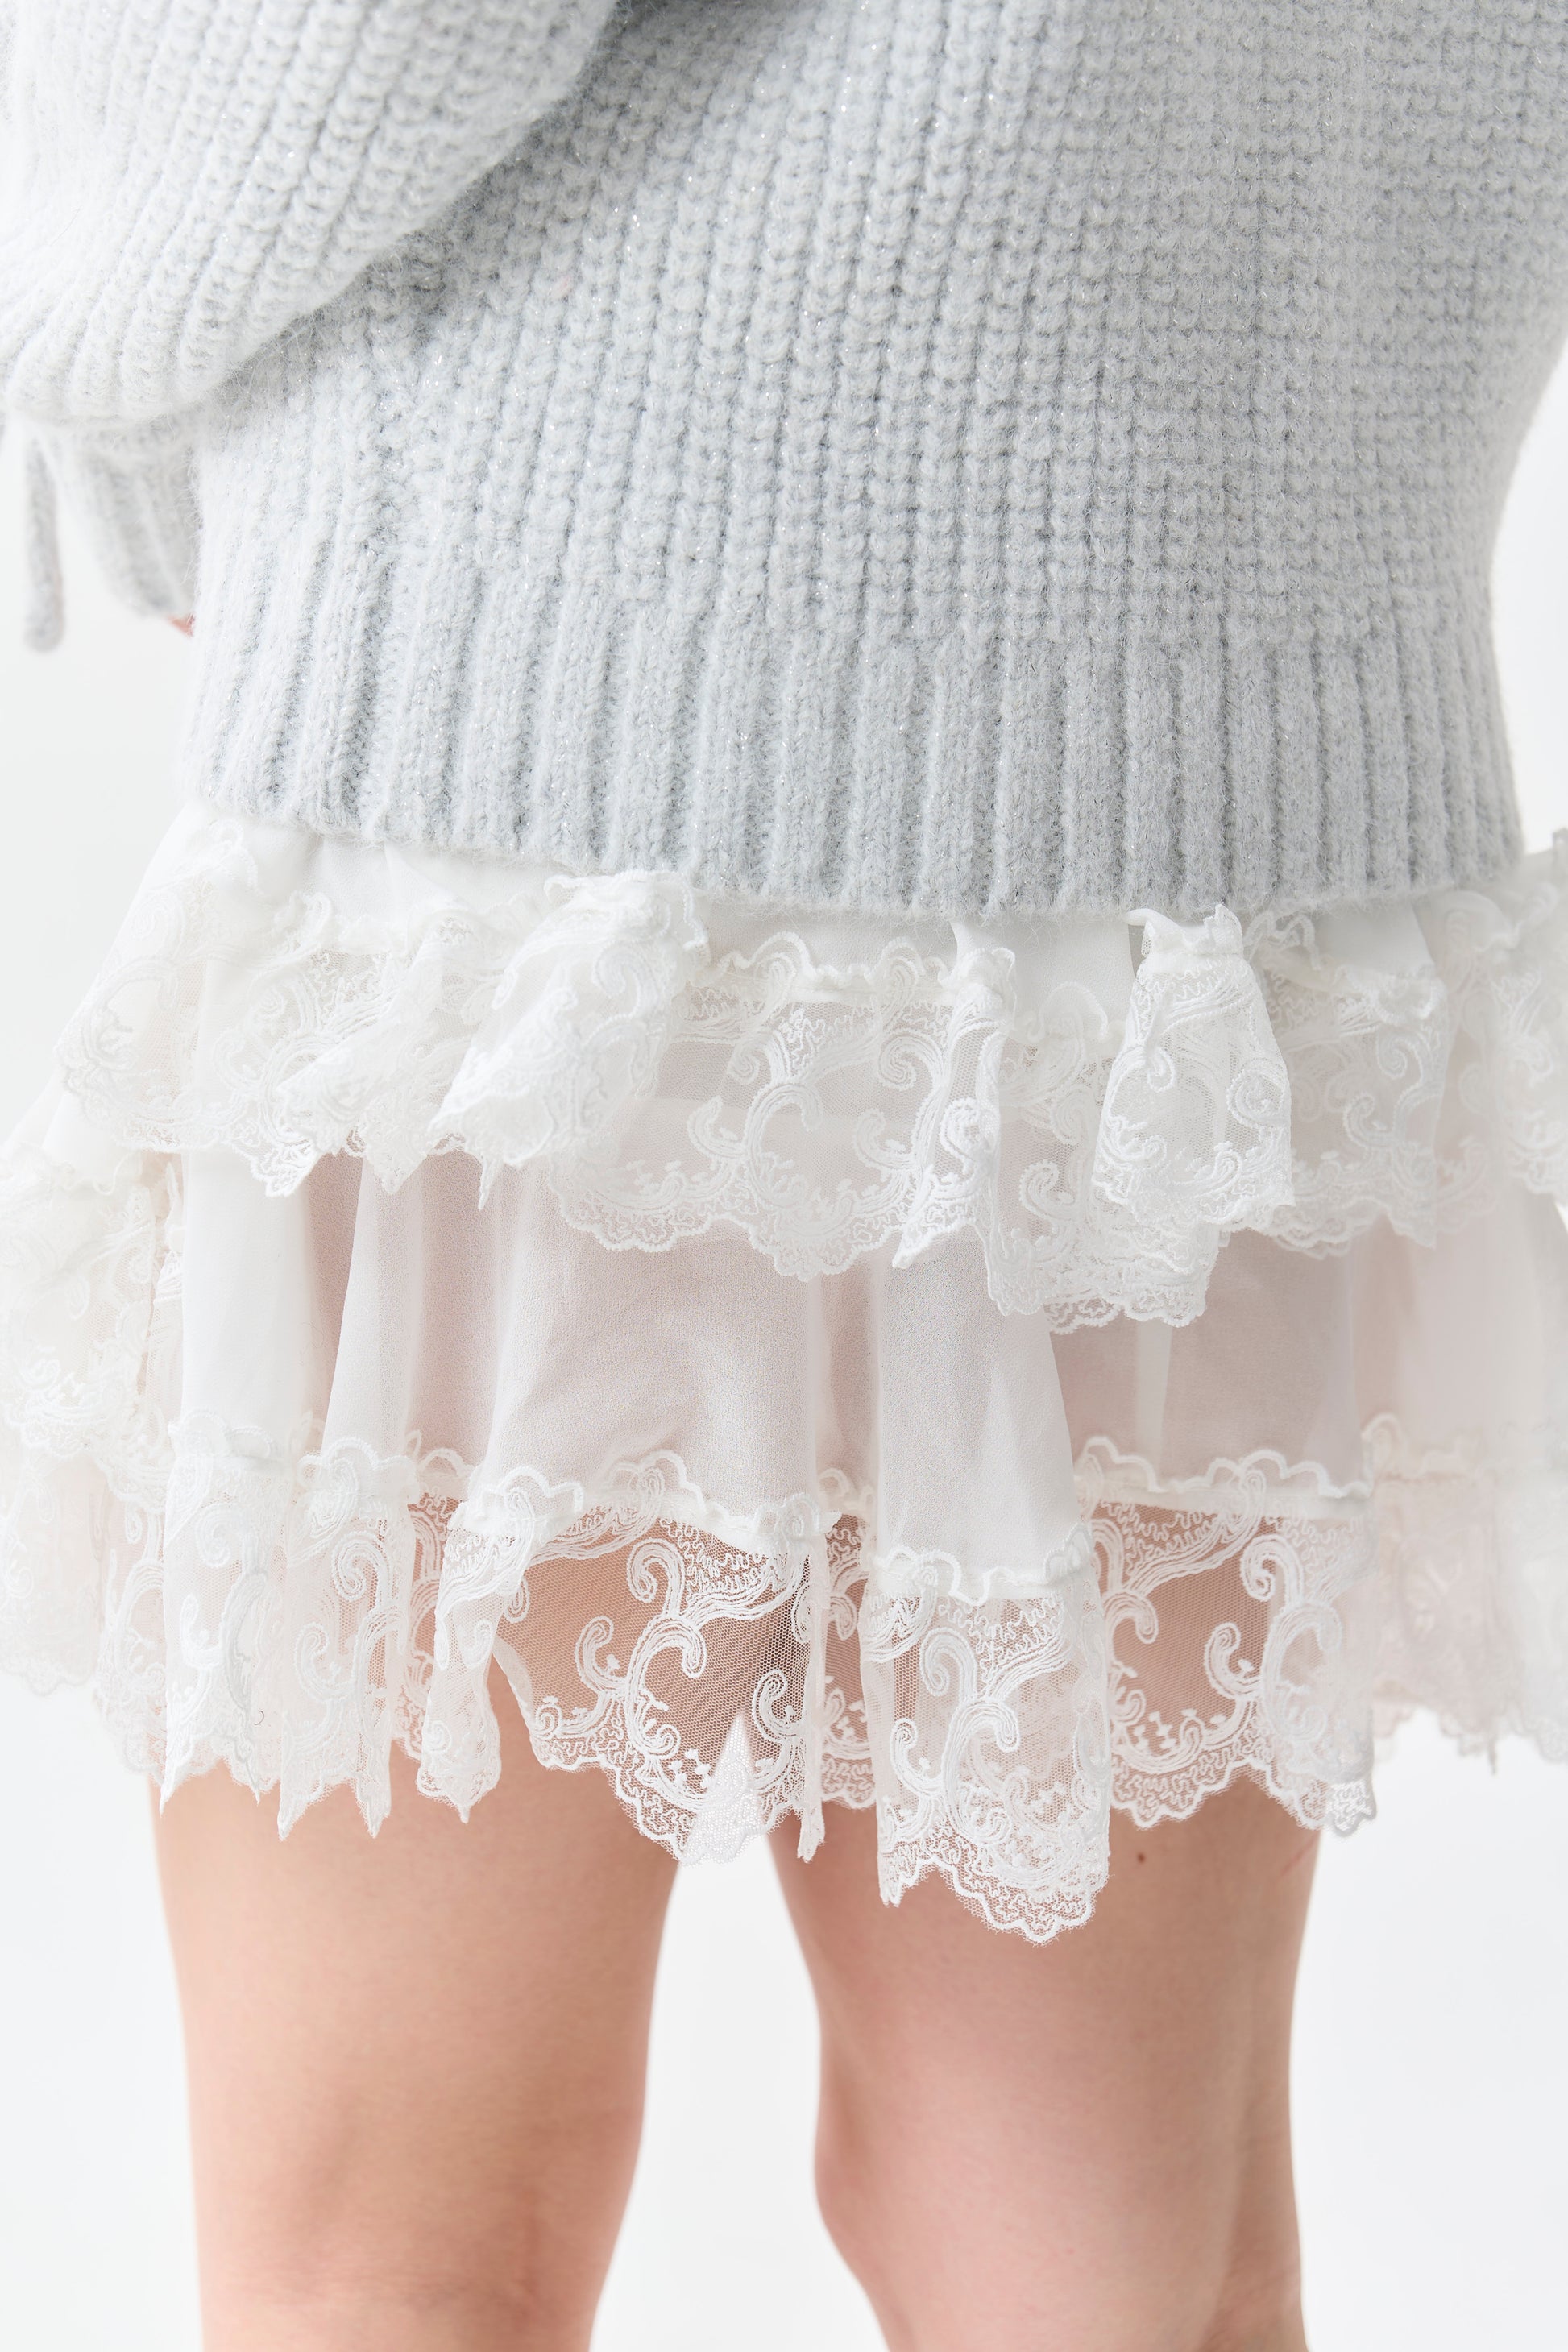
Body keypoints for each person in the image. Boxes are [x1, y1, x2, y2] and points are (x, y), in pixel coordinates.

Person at [2, 6, 1567, 2346]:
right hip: (1229, 773)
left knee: (400, 2249)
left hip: (552, 737)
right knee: (1117, 2272)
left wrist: (108, 323)